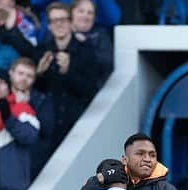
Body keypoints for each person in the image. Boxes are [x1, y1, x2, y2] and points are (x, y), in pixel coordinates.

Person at [36, 2, 98, 146]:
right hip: (49, 125)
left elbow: (89, 89)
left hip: (77, 123)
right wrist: (40, 73)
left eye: (63, 20)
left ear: (71, 22)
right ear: (49, 26)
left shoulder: (86, 50)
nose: (59, 25)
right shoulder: (42, 51)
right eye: (54, 21)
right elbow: (38, 91)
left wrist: (67, 71)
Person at [8, 57, 55, 180]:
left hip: (31, 162)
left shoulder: (42, 100)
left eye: (29, 76)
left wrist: (26, 106)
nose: (24, 78)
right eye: (20, 73)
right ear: (11, 73)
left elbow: (46, 130)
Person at [71, 0, 113, 88]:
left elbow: (107, 60)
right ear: (71, 13)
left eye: (90, 13)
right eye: (81, 11)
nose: (85, 15)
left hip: (93, 87)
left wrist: (86, 43)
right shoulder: (62, 32)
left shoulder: (100, 33)